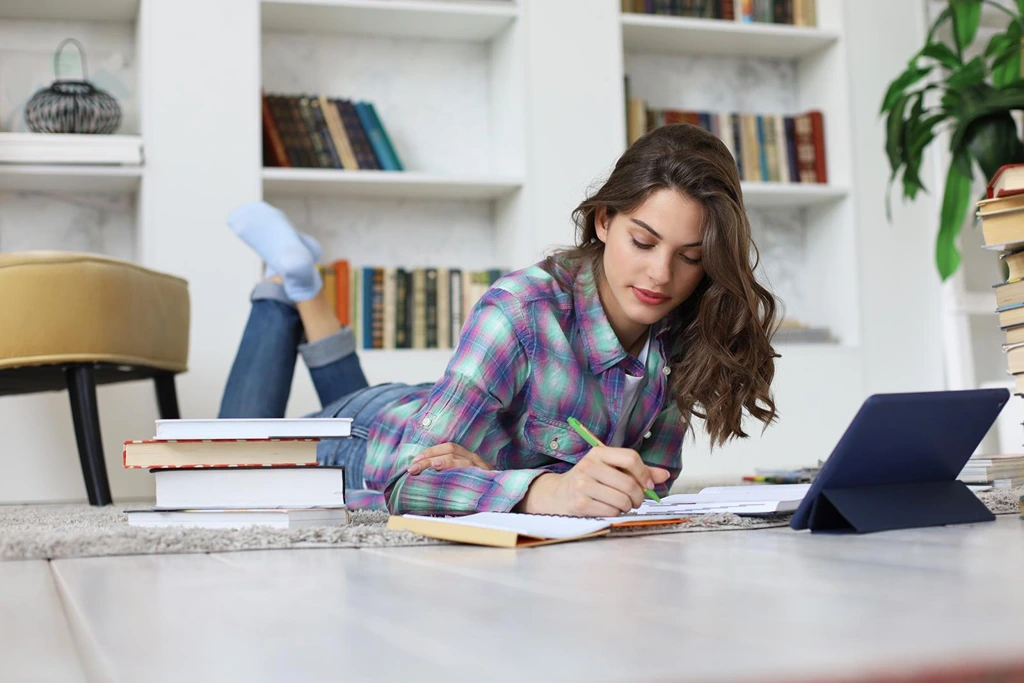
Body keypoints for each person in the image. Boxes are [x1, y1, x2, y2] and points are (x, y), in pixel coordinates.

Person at [218, 123, 779, 517]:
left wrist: (491, 477)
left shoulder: (684, 333)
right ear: (605, 220)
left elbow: (648, 489)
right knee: (215, 465)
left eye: (689, 257)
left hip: (425, 407)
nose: (660, 276)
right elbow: (405, 477)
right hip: (370, 440)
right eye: (643, 241)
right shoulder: (522, 310)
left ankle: (302, 286)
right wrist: (542, 490)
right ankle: (282, 290)